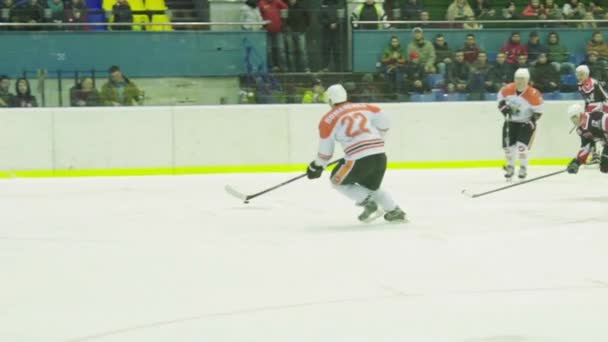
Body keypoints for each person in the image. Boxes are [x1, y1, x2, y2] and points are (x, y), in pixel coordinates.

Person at [305, 84, 406, 223]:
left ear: (329, 100)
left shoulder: (327, 120)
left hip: (359, 158)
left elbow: (325, 152)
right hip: (380, 155)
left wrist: (316, 166)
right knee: (371, 187)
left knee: (337, 182)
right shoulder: (367, 107)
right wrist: (376, 141)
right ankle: (395, 211)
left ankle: (370, 205)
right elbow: (385, 121)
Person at [497, 68, 544, 180]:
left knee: (521, 147)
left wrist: (532, 121)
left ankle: (523, 167)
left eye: (522, 79)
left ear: (527, 80)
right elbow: (500, 101)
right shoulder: (507, 89)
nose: (520, 81)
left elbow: (539, 111)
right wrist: (504, 109)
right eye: (517, 78)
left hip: (526, 122)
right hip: (511, 121)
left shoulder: (533, 94)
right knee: (508, 147)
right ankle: (510, 166)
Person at [575, 64, 608, 163]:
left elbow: (592, 92)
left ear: (587, 74)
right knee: (590, 132)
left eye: (582, 74)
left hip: (601, 108)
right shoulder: (581, 84)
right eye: (578, 74)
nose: (580, 76)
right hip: (593, 109)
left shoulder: (591, 83)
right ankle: (595, 154)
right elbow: (588, 100)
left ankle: (602, 154)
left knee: (600, 132)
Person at [565, 103, 608, 174]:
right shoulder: (581, 130)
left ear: (581, 114)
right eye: (572, 119)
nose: (574, 121)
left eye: (575, 117)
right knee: (604, 167)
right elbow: (586, 148)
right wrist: (576, 162)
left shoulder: (596, 117)